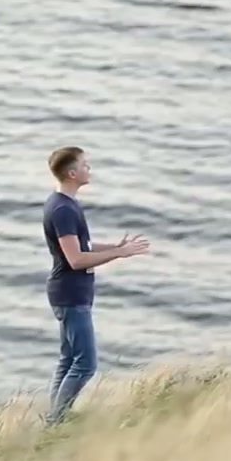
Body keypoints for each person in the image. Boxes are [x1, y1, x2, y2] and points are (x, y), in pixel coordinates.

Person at [42, 146, 149, 425]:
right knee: (86, 364)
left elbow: (83, 245)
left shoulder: (65, 203)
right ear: (72, 173)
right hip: (70, 293)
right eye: (84, 165)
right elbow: (76, 259)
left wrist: (115, 246)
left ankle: (54, 418)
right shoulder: (63, 209)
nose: (89, 169)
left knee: (68, 360)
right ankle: (55, 422)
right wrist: (119, 254)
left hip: (71, 292)